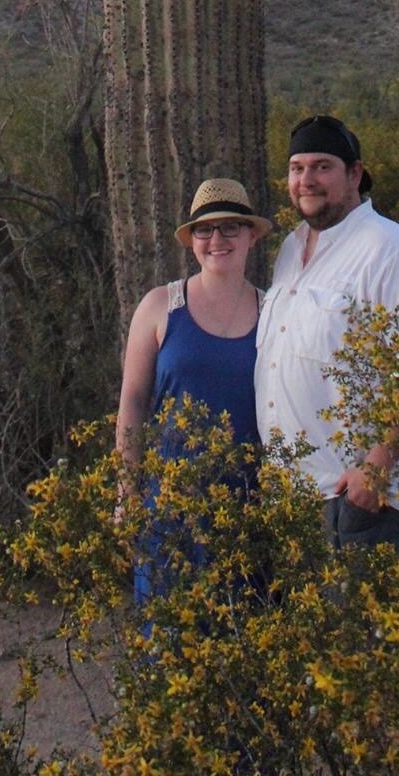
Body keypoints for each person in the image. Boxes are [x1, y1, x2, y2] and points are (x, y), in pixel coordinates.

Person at [256, 115, 399, 552]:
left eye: (322, 167)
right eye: (297, 168)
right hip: (292, 494)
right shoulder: (290, 248)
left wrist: (376, 468)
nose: (307, 180)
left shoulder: (389, 250)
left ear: (355, 174)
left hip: (358, 501)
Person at [116, 176, 271, 603]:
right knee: (169, 629)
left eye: (230, 227)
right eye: (204, 230)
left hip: (248, 506)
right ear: (192, 241)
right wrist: (126, 494)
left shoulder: (275, 311)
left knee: (246, 626)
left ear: (252, 236)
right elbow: (133, 401)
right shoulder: (159, 306)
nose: (217, 240)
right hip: (169, 503)